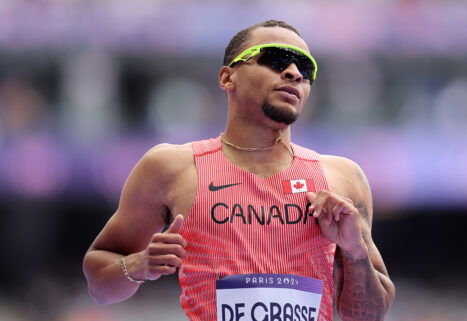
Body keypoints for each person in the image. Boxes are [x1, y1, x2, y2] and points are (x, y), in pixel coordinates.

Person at [83, 20, 395, 321]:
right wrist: (140, 265)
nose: (293, 73)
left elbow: (368, 316)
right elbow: (99, 284)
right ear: (227, 78)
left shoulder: (342, 179)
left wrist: (354, 251)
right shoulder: (171, 168)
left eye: (306, 68)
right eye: (275, 59)